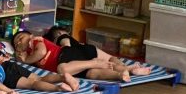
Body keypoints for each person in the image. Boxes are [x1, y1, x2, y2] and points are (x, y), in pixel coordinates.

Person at [11, 30, 149, 81]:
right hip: (74, 66)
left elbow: (41, 52)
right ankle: (124, 73)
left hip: (64, 55)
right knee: (93, 74)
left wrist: (26, 60)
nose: (19, 42)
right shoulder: (28, 55)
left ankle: (94, 62)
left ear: (30, 35)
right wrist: (20, 58)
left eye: (20, 38)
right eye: (16, 44)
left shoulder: (36, 41)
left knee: (63, 69)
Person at [0, 41, 79, 92]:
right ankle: (62, 77)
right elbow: (3, 58)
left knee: (32, 84)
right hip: (10, 64)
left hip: (2, 71)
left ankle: (58, 88)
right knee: (39, 78)